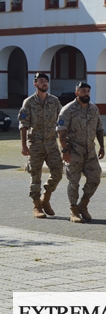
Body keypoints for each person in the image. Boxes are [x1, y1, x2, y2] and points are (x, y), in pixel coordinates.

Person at [56, 81, 105, 224]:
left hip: (90, 151)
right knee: (74, 182)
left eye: (88, 91)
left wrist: (102, 146)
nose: (86, 93)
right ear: (77, 93)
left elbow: (99, 128)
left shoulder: (94, 109)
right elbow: (61, 131)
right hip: (74, 150)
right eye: (83, 91)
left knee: (95, 177)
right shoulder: (68, 109)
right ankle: (73, 210)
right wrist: (64, 150)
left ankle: (83, 204)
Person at [18, 73, 63, 219]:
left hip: (51, 143)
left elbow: (62, 121)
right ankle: (37, 206)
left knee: (58, 172)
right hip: (35, 144)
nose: (44, 83)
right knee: (35, 175)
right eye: (41, 81)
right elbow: (23, 125)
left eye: (46, 81)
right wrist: (24, 145)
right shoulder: (29, 102)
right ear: (35, 84)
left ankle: (46, 198)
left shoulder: (54, 101)